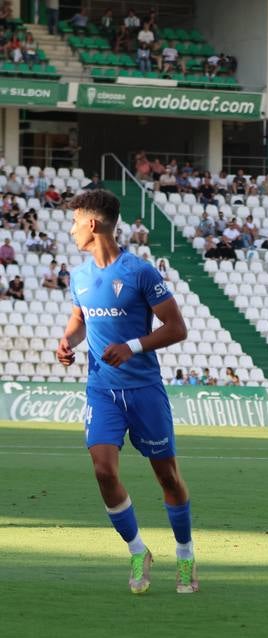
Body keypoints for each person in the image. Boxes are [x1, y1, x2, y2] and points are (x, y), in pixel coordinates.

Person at [55, 189, 198, 595]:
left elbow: (177, 328)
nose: (71, 229)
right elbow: (80, 319)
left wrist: (133, 346)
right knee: (103, 469)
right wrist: (68, 341)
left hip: (144, 390)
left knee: (167, 477)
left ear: (92, 223)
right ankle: (138, 550)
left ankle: (185, 556)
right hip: (102, 390)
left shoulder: (140, 272)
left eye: (75, 221)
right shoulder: (79, 276)